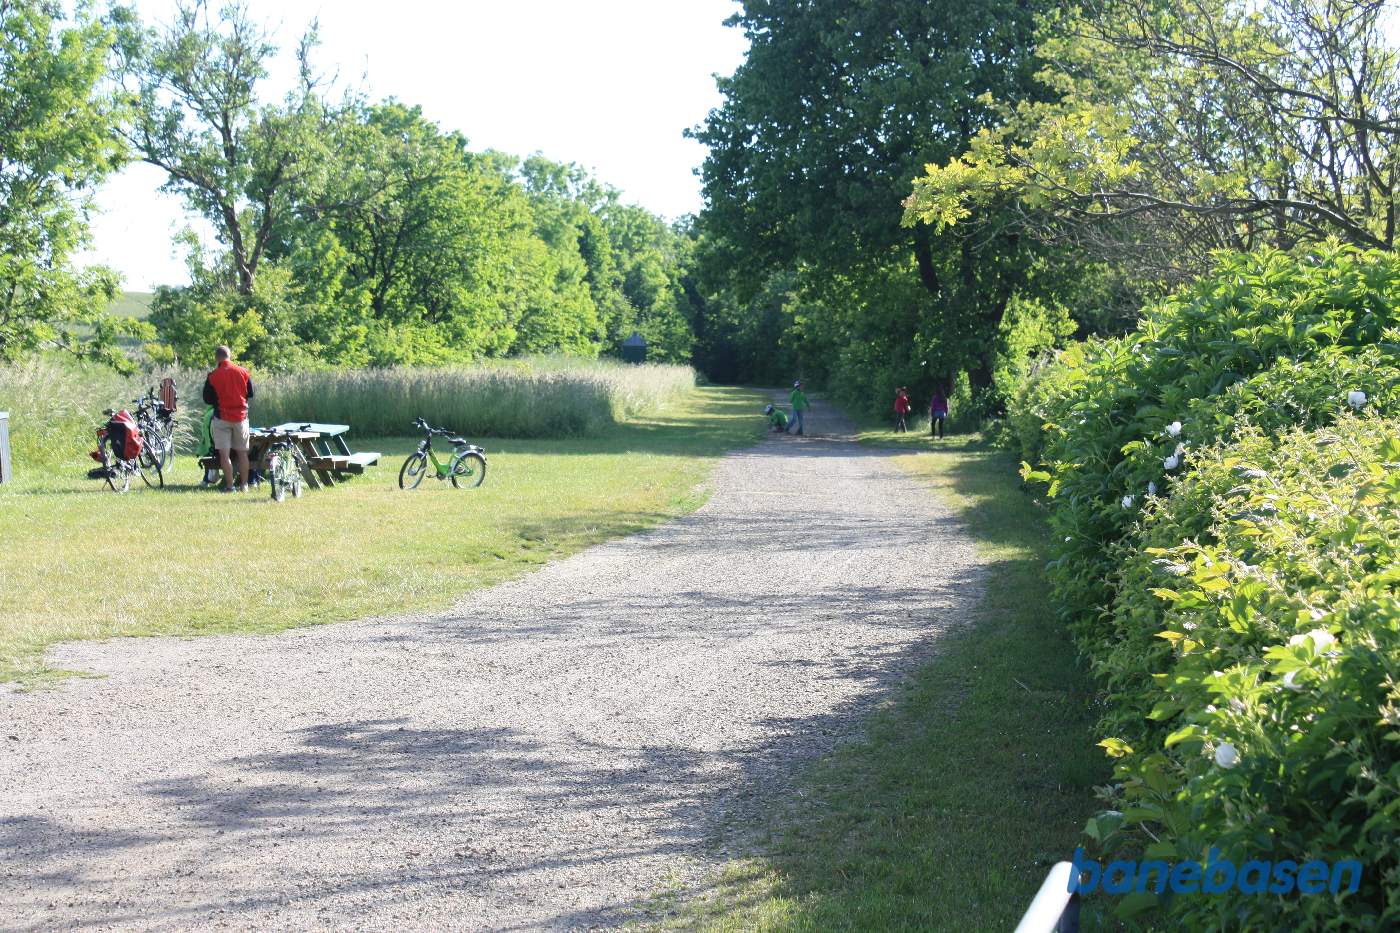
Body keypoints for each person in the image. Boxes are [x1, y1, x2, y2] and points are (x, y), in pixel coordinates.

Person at [202, 345, 255, 492]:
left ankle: (230, 486)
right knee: (242, 453)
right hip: (241, 417)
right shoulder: (243, 372)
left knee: (224, 454)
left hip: (222, 418)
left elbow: (207, 399)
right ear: (229, 356)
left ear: (216, 358)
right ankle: (244, 485)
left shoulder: (213, 376)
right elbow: (251, 393)